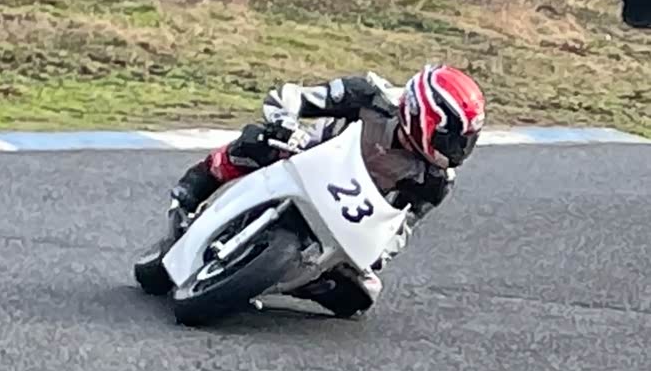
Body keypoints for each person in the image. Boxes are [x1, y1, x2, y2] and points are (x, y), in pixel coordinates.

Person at [168, 64, 486, 317]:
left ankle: (297, 278)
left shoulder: (436, 179)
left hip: (347, 213)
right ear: (422, 117)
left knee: (360, 298)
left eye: (465, 141)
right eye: (451, 138)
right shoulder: (371, 95)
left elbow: (403, 226)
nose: (457, 150)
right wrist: (285, 121)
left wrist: (377, 254)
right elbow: (294, 96)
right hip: (307, 156)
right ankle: (196, 185)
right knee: (258, 140)